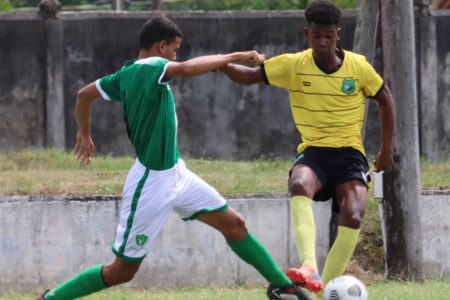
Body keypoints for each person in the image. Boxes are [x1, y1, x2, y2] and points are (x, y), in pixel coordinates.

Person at [36, 16, 311, 300]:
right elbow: (186, 68)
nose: (175, 55)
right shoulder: (152, 66)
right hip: (151, 183)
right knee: (121, 271)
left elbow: (83, 95)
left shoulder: (125, 74)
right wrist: (237, 55)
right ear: (161, 46)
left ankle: (283, 287)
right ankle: (50, 299)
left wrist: (83, 133)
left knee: (235, 224)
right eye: (174, 49)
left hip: (177, 174)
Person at [219, 0, 395, 297]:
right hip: (314, 151)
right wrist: (221, 65)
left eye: (328, 35)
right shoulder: (294, 65)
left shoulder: (358, 66)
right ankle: (309, 266)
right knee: (299, 182)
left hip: (350, 154)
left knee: (352, 215)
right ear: (306, 34)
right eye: (316, 36)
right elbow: (249, 76)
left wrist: (387, 150)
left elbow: (385, 99)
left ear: (338, 34)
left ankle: (320, 291)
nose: (323, 42)